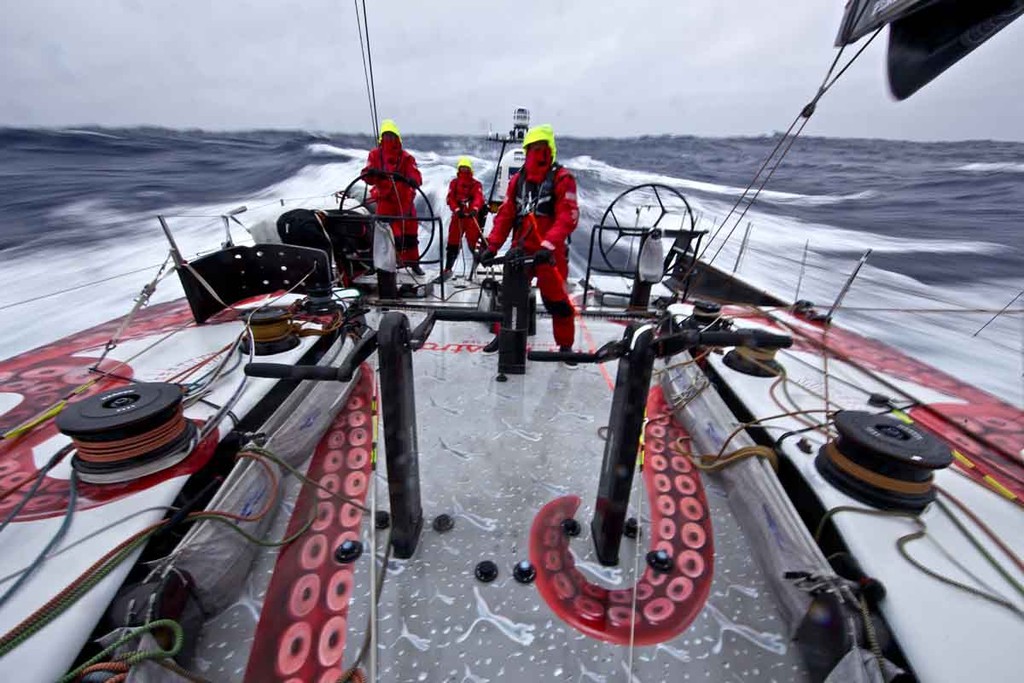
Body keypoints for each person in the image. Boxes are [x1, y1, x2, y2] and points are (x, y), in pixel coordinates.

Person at [478, 124, 579, 363]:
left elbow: (568, 216)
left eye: (541, 148)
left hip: (549, 253)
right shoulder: (517, 181)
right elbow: (505, 216)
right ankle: (504, 336)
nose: (537, 153)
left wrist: (549, 245)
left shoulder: (563, 179)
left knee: (557, 301)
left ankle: (565, 346)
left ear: (549, 150)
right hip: (521, 251)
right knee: (510, 298)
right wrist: (491, 246)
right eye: (532, 148)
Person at [362, 119, 425, 275]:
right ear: (382, 138)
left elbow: (416, 177)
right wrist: (371, 173)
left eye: (392, 135)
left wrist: (412, 180)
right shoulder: (375, 155)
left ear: (397, 137)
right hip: (386, 203)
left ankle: (414, 264)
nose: (389, 138)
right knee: (386, 236)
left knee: (410, 236)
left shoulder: (406, 158)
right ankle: (379, 266)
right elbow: (366, 176)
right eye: (386, 135)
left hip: (405, 203)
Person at [444, 156, 486, 277]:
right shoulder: (454, 183)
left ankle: (474, 269)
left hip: (471, 217)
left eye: (466, 168)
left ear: (470, 170)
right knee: (452, 242)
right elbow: (450, 198)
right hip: (458, 217)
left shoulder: (476, 184)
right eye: (462, 168)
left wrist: (474, 209)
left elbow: (478, 198)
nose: (464, 170)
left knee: (473, 243)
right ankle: (448, 268)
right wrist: (457, 209)